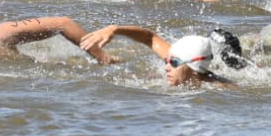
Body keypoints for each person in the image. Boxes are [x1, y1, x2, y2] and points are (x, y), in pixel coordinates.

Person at [79, 27, 234, 86]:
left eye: (173, 62)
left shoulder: (217, 88)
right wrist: (115, 29)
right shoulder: (180, 58)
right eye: (167, 60)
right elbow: (149, 38)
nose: (166, 67)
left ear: (194, 67)